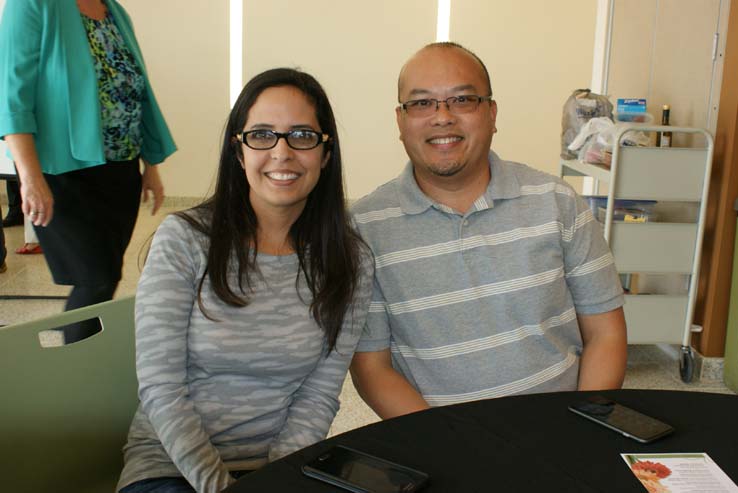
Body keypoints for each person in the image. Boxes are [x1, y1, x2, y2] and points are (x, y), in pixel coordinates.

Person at [117, 68, 373, 493]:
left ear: (326, 154)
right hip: (171, 469)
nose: (281, 152)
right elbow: (161, 388)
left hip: (282, 468)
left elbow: (320, 393)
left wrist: (275, 481)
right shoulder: (184, 240)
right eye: (262, 134)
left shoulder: (349, 259)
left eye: (302, 136)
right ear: (238, 151)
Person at [350, 42, 628, 419]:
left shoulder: (558, 202)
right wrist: (451, 447)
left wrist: (580, 429)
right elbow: (372, 368)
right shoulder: (364, 229)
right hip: (437, 441)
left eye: (463, 100)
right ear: (400, 121)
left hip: (561, 427)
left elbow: (605, 334)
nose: (443, 117)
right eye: (422, 103)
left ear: (492, 113)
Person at [0, 0, 175, 343]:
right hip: (60, 173)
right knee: (95, 279)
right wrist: (31, 178)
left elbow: (134, 91)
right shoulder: (32, 5)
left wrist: (149, 165)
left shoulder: (113, 10)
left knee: (106, 278)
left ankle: (88, 363)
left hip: (120, 171)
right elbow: (11, 96)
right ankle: (75, 372)